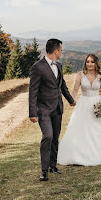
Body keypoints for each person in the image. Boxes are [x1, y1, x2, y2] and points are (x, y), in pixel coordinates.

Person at [57, 54, 101, 166]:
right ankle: (79, 154)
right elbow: (75, 90)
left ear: (96, 63)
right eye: (87, 62)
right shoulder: (80, 75)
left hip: (97, 104)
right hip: (84, 104)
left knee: (97, 130)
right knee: (82, 129)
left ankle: (98, 153)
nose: (89, 64)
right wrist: (71, 100)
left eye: (92, 62)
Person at [29, 38, 76, 182]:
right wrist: (32, 112)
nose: (62, 52)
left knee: (55, 137)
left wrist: (71, 100)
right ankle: (44, 171)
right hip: (43, 110)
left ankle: (53, 166)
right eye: (61, 50)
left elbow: (62, 87)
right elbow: (33, 92)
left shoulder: (59, 66)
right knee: (47, 136)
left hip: (57, 109)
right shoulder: (38, 67)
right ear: (56, 51)